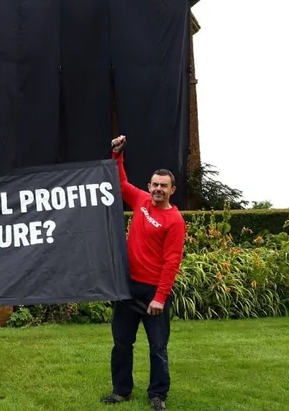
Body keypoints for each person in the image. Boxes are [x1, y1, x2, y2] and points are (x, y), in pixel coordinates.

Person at [101, 135, 186, 411]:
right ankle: (121, 391)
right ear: (149, 186)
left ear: (172, 189)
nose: (158, 189)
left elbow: (172, 262)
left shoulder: (174, 221)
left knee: (157, 347)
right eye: (155, 185)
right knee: (122, 343)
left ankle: (157, 395)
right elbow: (121, 183)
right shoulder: (141, 201)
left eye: (164, 186)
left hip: (153, 293)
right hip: (128, 287)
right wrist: (117, 155)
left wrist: (160, 297)